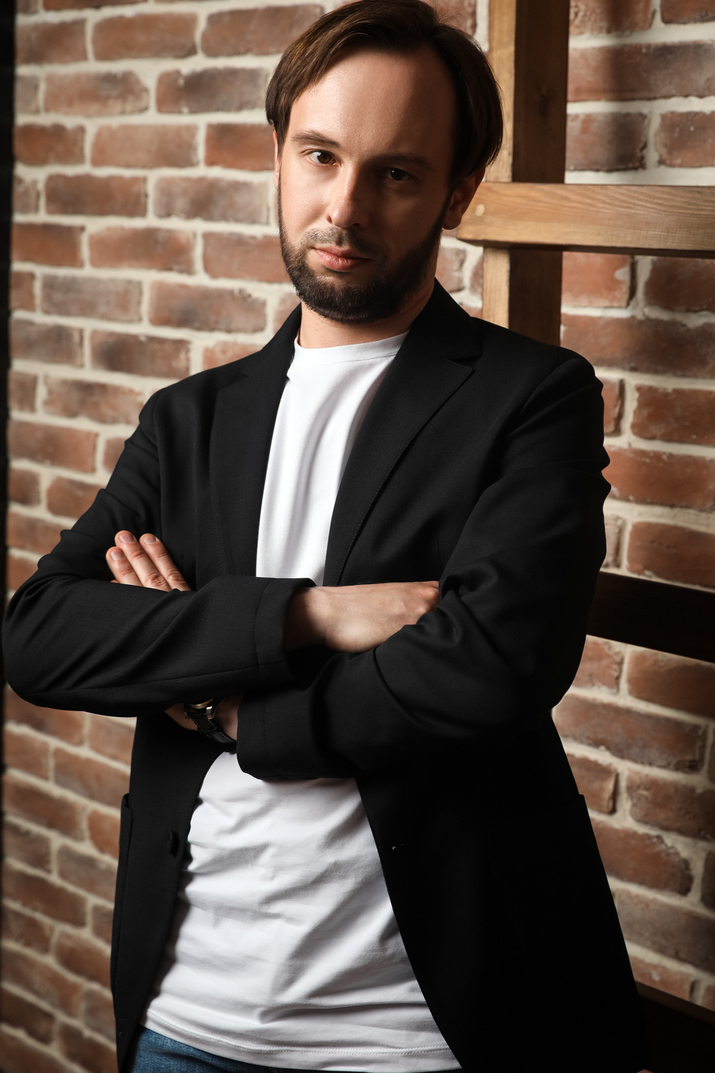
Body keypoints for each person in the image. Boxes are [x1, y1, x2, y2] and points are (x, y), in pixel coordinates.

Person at [3, 2, 649, 1072]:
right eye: (319, 155)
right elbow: (41, 637)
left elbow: (490, 667)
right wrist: (312, 612)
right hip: (184, 1012)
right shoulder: (189, 420)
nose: (343, 206)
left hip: (423, 1033)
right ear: (280, 155)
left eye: (395, 173)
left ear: (455, 190)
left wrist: (223, 699)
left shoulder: (531, 397)